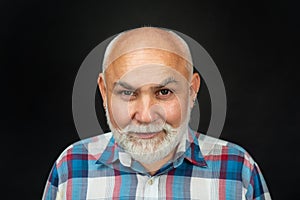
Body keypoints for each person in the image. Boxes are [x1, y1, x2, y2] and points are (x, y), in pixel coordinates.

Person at [42, 27, 271, 199]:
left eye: (163, 92)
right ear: (104, 91)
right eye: (128, 92)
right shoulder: (71, 167)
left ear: (192, 91)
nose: (145, 116)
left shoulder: (238, 169)